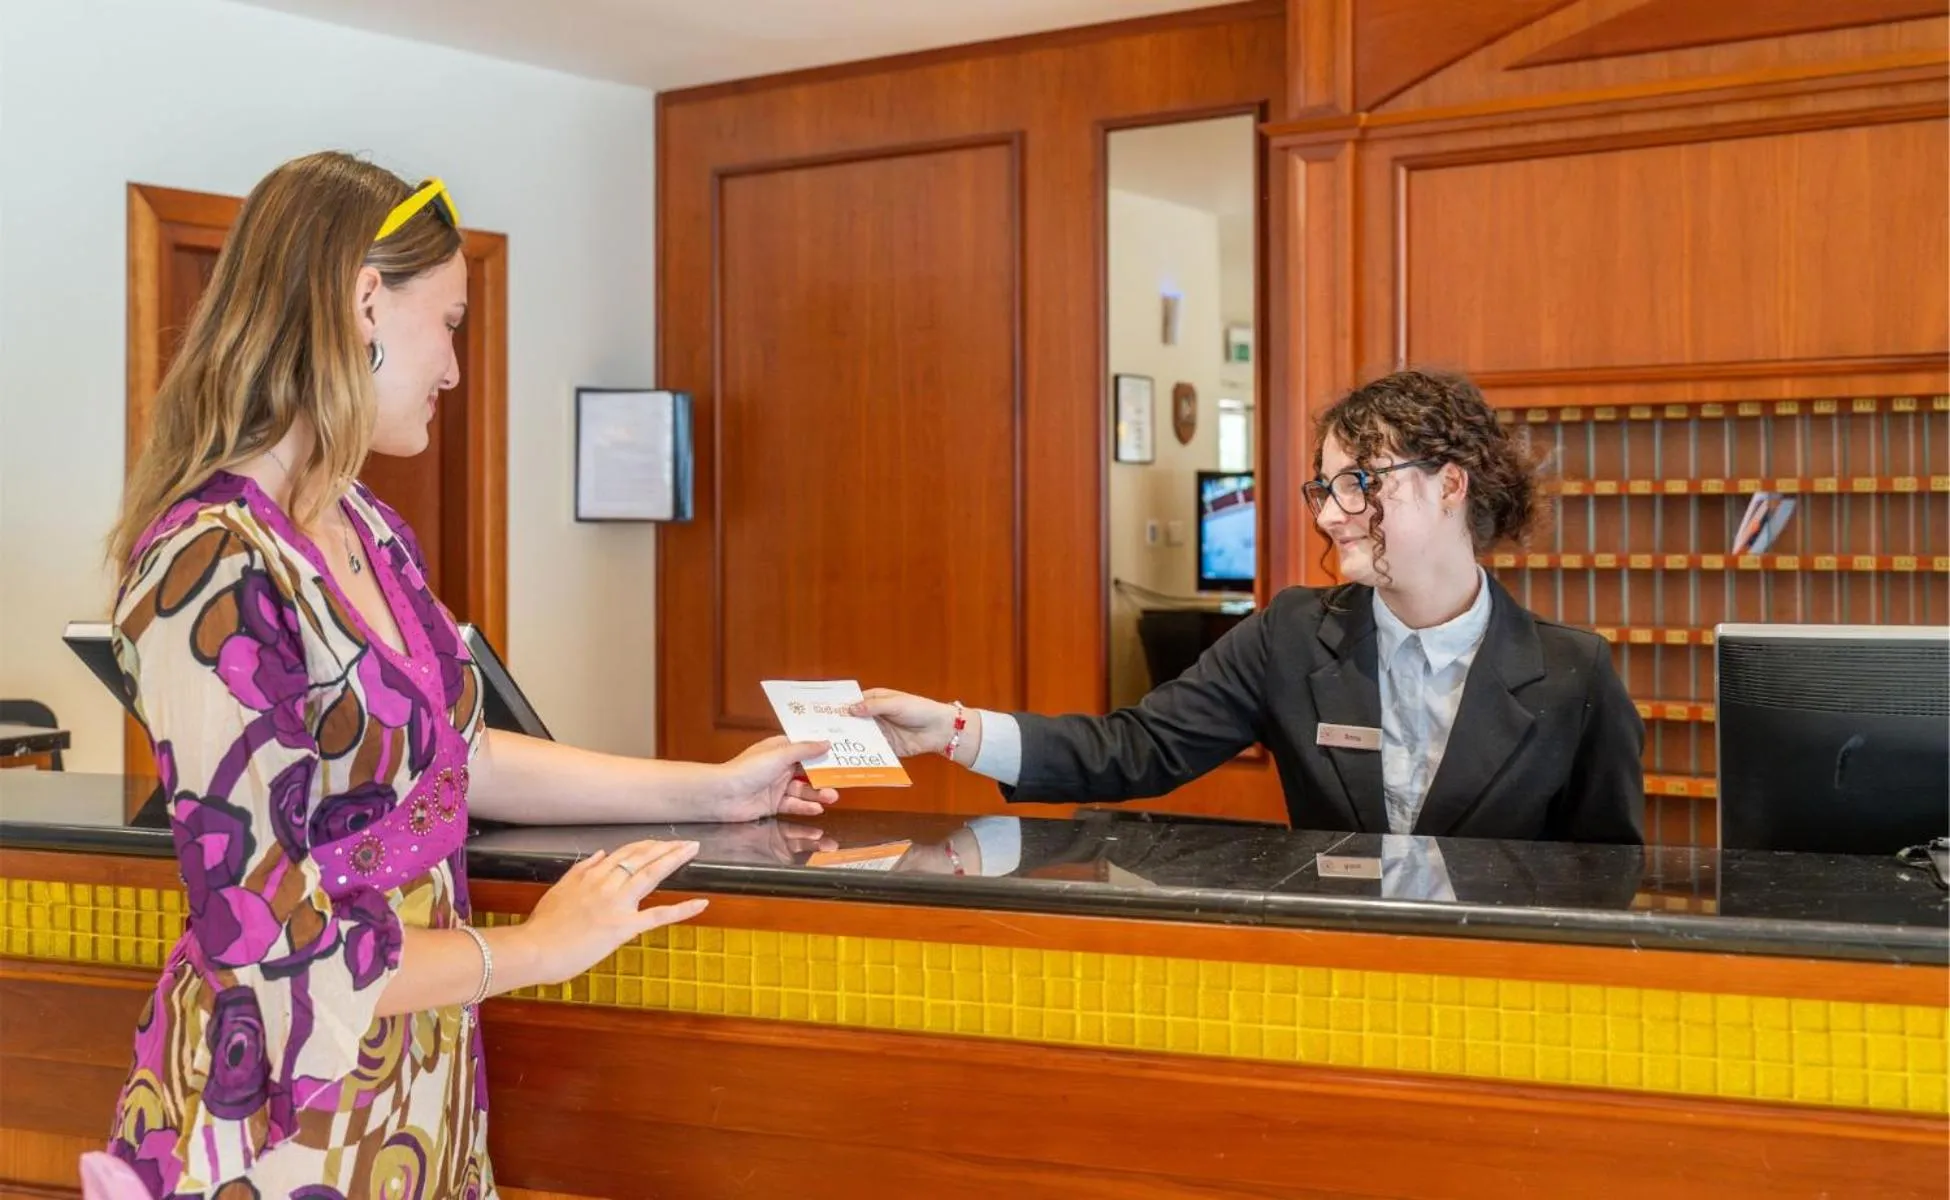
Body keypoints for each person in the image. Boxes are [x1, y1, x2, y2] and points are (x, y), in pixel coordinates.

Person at [90, 152, 835, 1198]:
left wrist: (713, 788)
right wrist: (531, 950)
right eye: (447, 323)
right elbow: (272, 938)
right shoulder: (210, 563)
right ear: (363, 304)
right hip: (279, 1119)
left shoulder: (369, 531)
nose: (452, 367)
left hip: (417, 1091)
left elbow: (463, 756)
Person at [857, 369, 1645, 846]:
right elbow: (1132, 750)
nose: (1332, 514)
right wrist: (955, 731)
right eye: (1325, 487)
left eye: (1360, 483)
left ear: (1449, 485)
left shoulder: (1574, 674)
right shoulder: (1291, 635)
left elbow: (1608, 875)